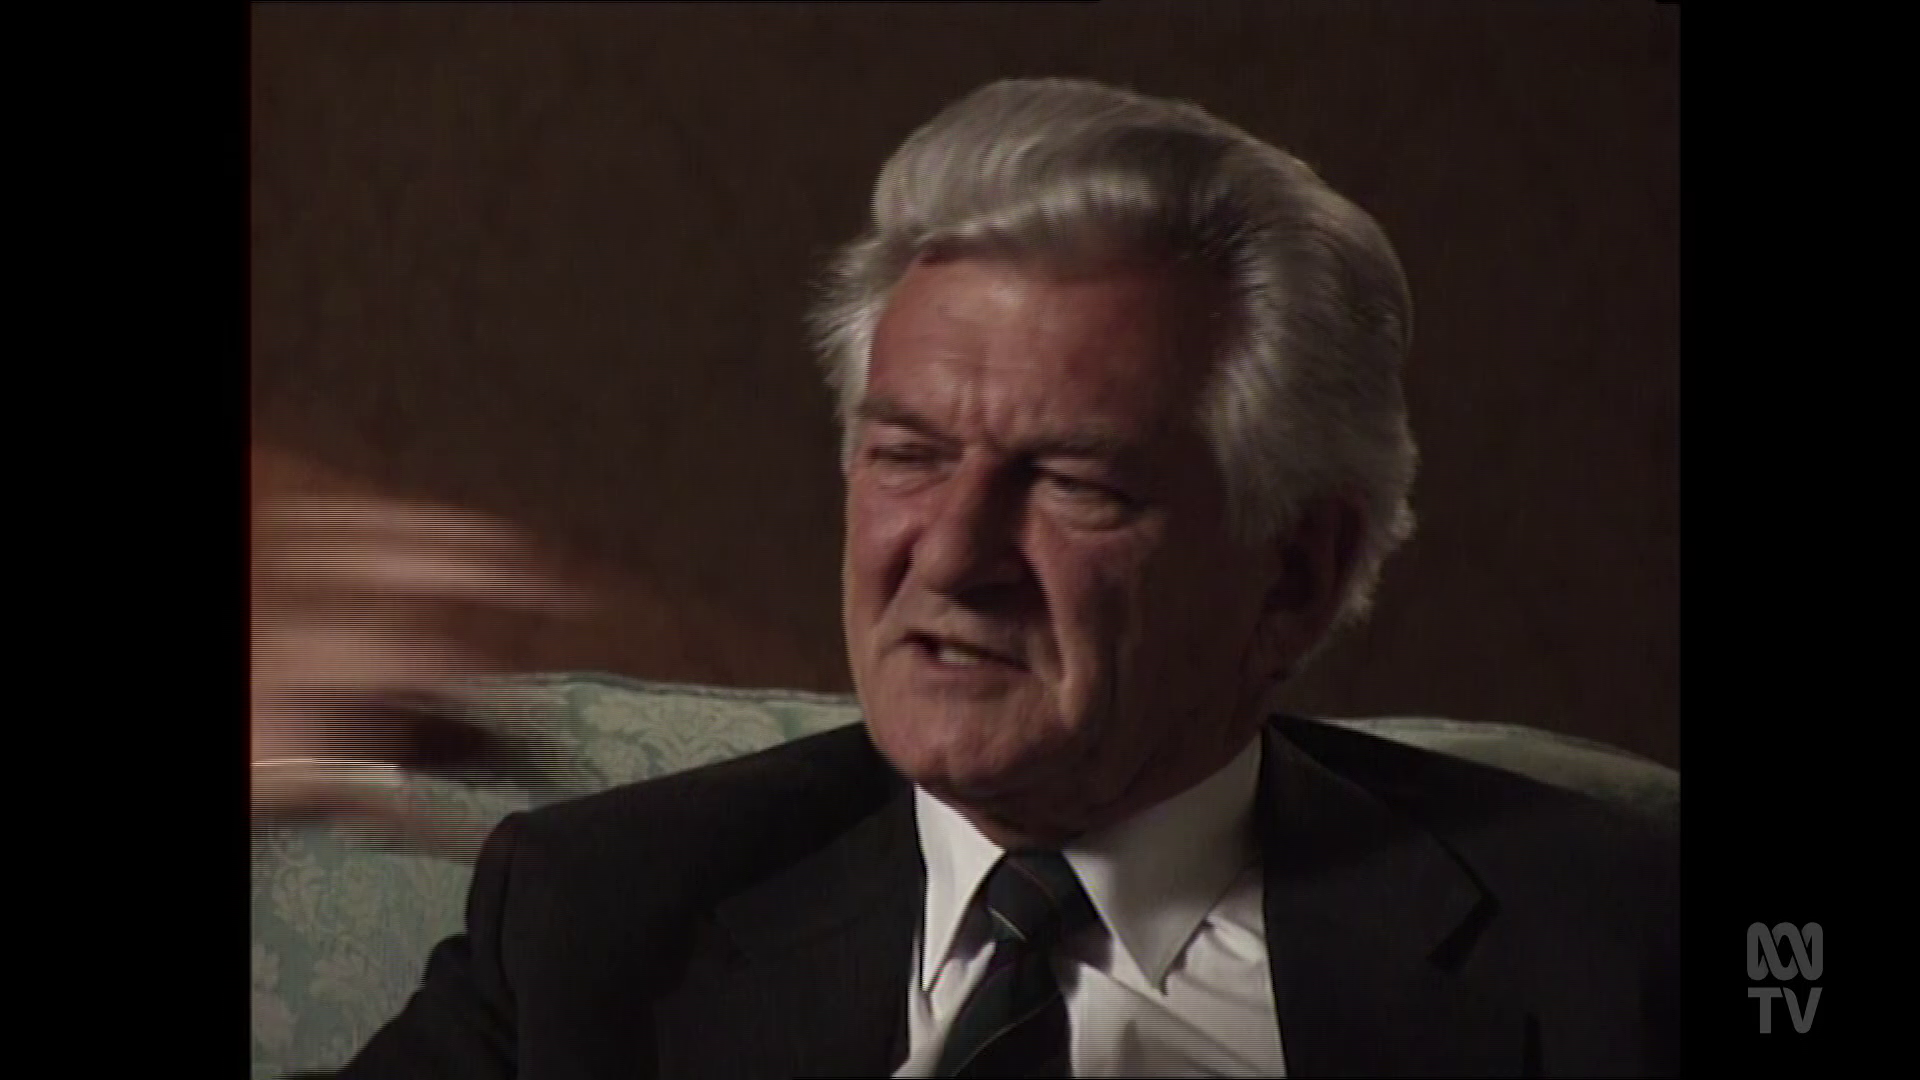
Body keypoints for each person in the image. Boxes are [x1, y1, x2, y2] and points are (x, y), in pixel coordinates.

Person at [256, 78, 1679, 1078]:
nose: (950, 555)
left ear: (1294, 579)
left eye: (1075, 482)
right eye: (909, 455)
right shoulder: (599, 916)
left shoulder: (1606, 940)